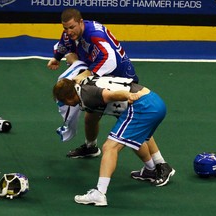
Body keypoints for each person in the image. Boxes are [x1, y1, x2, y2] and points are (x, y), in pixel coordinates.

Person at [53, 76, 175, 206]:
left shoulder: (88, 95)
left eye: (63, 102)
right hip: (154, 102)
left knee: (110, 147)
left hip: (142, 105)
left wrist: (128, 95)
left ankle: (99, 193)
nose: (65, 105)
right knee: (132, 139)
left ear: (69, 98)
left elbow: (110, 94)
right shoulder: (82, 88)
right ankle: (151, 170)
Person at [47, 8, 139, 159]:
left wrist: (85, 74)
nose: (68, 31)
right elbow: (65, 44)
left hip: (121, 79)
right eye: (65, 28)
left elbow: (110, 60)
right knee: (91, 117)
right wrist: (56, 58)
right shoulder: (71, 34)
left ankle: (158, 164)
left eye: (71, 27)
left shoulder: (95, 36)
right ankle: (91, 147)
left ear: (80, 22)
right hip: (103, 79)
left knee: (131, 124)